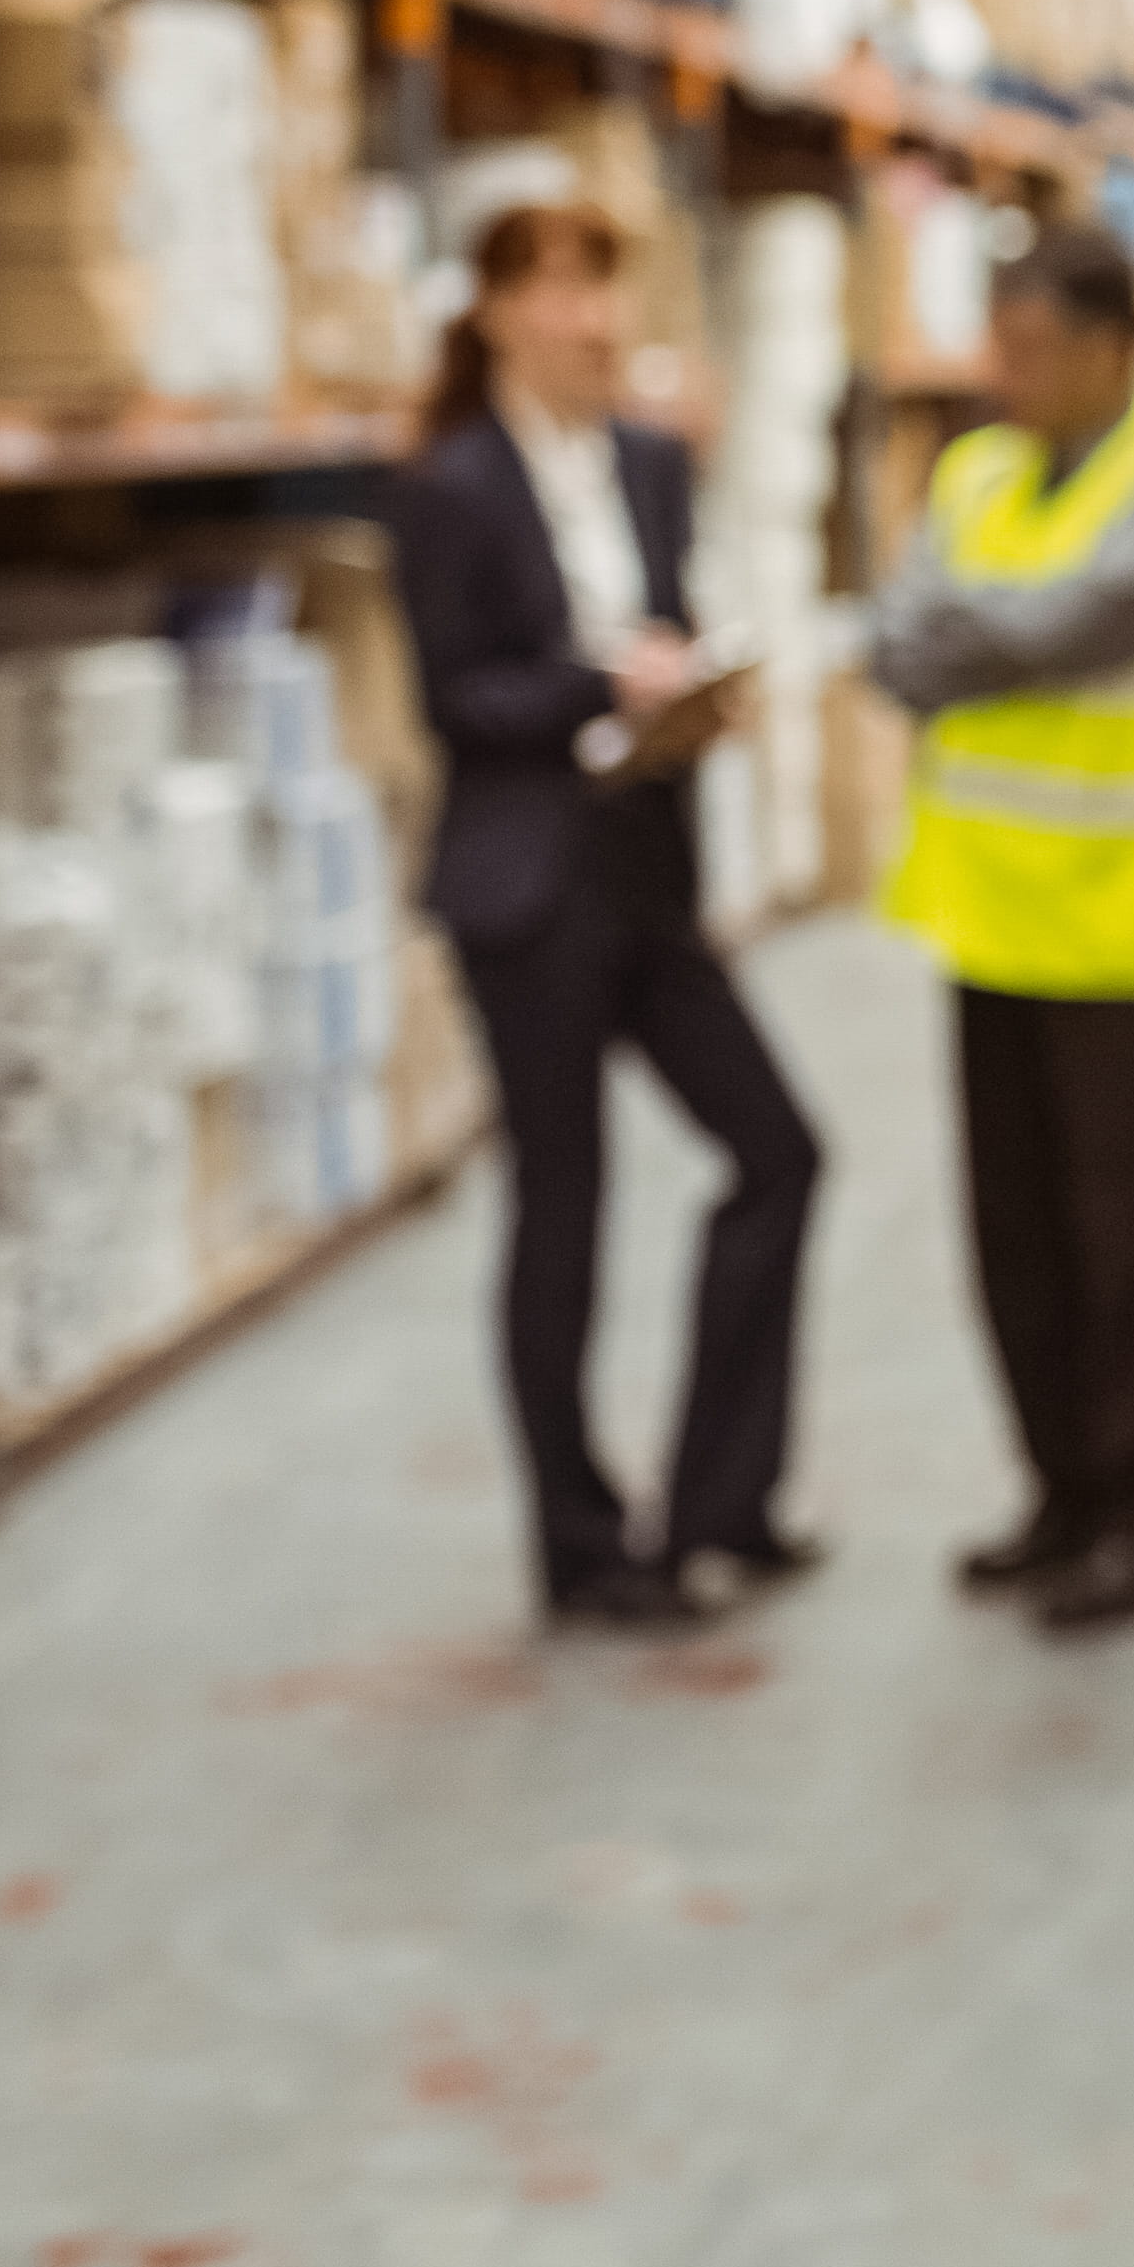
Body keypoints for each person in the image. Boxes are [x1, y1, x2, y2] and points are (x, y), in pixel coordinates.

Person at [391, 200, 828, 1632]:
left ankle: (722, 1506)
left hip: (646, 870)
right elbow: (460, 701)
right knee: (563, 1210)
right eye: (563, 292)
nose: (594, 320)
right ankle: (582, 1550)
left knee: (778, 1150)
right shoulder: (452, 486)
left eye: (605, 288)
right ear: (502, 311)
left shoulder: (649, 462)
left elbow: (662, 624)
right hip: (529, 890)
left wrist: (692, 695)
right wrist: (602, 685)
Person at [871, 218, 1134, 1635]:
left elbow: (1069, 632)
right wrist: (963, 635)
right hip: (991, 925)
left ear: (1113, 351)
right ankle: (1058, 1498)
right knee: (1018, 1243)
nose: (1006, 373)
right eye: (999, 344)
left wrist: (964, 637)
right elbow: (895, 636)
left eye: (1034, 348)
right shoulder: (972, 469)